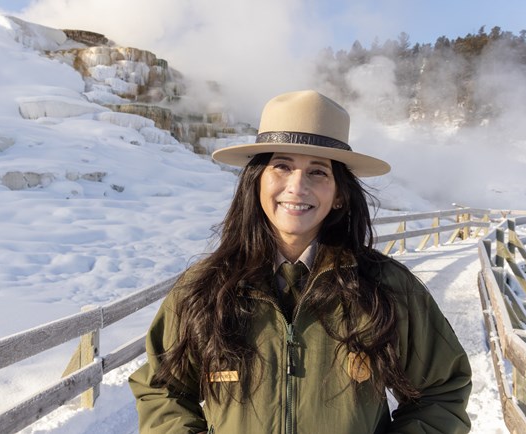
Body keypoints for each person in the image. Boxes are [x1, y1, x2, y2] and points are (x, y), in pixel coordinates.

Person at [129, 90, 472, 433]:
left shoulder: (387, 287)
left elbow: (443, 391)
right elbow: (162, 391)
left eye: (317, 172)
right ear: (257, 181)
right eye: (282, 166)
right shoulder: (205, 288)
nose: (297, 186)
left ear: (339, 194)